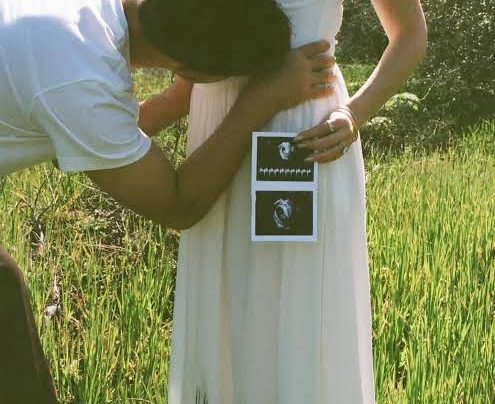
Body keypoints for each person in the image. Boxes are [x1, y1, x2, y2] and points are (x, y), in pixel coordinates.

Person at [0, 0, 334, 401]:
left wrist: (178, 100)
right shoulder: (81, 81)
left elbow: (90, 139)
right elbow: (178, 204)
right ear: (195, 73)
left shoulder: (87, 28)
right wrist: (261, 100)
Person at [163, 0, 428, 403]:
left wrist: (352, 114)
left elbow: (410, 34)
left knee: (299, 316)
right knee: (226, 312)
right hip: (217, 132)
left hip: (304, 139)